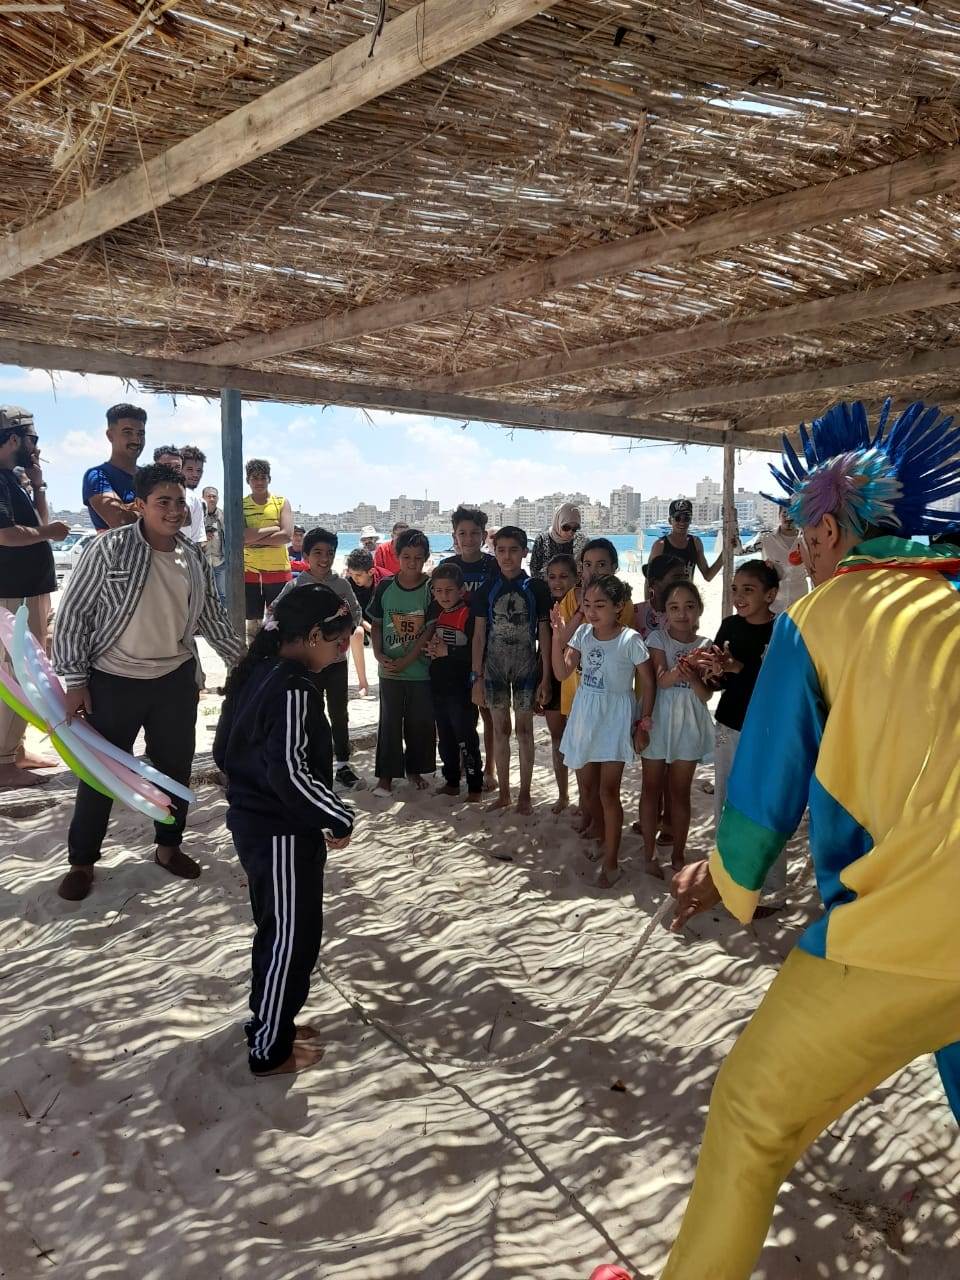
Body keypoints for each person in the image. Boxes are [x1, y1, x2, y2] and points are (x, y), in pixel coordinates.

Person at [663, 397, 960, 1280]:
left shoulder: (819, 617)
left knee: (750, 1116)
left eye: (800, 536)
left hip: (906, 927)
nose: (796, 557)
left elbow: (767, 784)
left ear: (829, 532)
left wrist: (720, 875)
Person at [53, 463, 244, 902]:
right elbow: (74, 615)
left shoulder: (192, 556)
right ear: (140, 505)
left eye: (179, 502)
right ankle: (82, 862)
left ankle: (168, 847)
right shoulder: (108, 549)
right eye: (163, 502)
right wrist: (75, 681)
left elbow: (212, 618)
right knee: (100, 775)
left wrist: (243, 663)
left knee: (175, 772)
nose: (174, 510)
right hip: (113, 681)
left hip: (174, 681)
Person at [213, 584, 355, 1077]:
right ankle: (269, 1048)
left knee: (278, 929)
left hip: (257, 826)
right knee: (291, 940)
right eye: (337, 640)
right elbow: (290, 773)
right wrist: (335, 814)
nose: (342, 650)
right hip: (280, 833)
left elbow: (223, 751)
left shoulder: (257, 670)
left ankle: (272, 1020)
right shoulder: (293, 687)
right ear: (313, 635)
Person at [553, 575, 654, 888]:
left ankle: (612, 862)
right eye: (587, 605)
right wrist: (557, 637)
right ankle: (599, 833)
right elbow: (562, 672)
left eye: (600, 605)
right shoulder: (583, 633)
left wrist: (644, 721)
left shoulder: (630, 640)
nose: (592, 611)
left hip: (615, 719)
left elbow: (648, 682)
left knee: (608, 792)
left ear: (618, 606)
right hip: (585, 716)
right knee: (588, 790)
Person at [0, 407, 68, 788]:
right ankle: (2, 759)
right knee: (19, 672)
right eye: (33, 439)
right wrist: (49, 534)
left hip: (28, 590)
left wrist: (38, 485)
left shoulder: (12, 479)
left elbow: (40, 525)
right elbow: (5, 534)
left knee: (27, 671)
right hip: (15, 593)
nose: (36, 447)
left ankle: (15, 749)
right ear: (14, 438)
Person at [553, 539, 635, 835]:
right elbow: (563, 641)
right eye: (587, 564)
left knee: (602, 772)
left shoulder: (620, 603)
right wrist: (580, 608)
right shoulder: (571, 600)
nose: (594, 570)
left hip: (607, 698)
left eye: (601, 564)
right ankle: (588, 815)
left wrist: (586, 608)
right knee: (582, 761)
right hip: (577, 692)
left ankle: (599, 822)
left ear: (614, 567)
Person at [273, 528, 363, 790]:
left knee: (339, 712)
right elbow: (277, 614)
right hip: (308, 665)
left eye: (330, 553)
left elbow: (356, 613)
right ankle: (311, 764)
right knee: (309, 713)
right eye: (318, 553)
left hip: (336, 662)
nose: (324, 558)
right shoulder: (296, 585)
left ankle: (342, 764)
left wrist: (342, 635)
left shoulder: (342, 585)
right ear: (306, 555)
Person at [471, 526, 552, 815]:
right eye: (501, 550)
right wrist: (476, 677)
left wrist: (546, 676)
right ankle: (504, 793)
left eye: (513, 550)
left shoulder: (536, 588)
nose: (507, 557)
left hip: (526, 667)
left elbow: (545, 634)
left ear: (524, 552)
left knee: (525, 731)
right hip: (494, 668)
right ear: (494, 551)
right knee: (500, 729)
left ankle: (525, 794)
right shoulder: (486, 590)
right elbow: (479, 636)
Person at [639, 580, 713, 878]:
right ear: (665, 612)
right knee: (651, 788)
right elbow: (660, 681)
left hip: (689, 723)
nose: (682, 613)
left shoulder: (706, 644)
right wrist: (686, 665)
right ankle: (648, 853)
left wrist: (693, 675)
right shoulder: (658, 638)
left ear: (699, 610)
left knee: (680, 792)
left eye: (689, 606)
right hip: (658, 718)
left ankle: (679, 855)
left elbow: (705, 695)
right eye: (674, 607)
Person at [701, 561, 779, 827]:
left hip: (766, 727)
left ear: (770, 595)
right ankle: (723, 847)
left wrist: (738, 667)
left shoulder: (781, 630)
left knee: (761, 792)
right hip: (728, 723)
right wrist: (711, 672)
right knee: (726, 788)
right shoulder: (729, 626)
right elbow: (717, 682)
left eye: (748, 589)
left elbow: (779, 681)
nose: (738, 596)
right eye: (735, 589)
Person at [367, 528, 435, 795]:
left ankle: (414, 770)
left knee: (418, 723)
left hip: (420, 672)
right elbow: (376, 623)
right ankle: (385, 776)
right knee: (389, 723)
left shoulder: (430, 588)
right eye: (406, 556)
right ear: (397, 556)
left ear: (425, 558)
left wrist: (408, 659)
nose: (412, 563)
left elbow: (429, 630)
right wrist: (377, 653)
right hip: (390, 671)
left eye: (418, 557)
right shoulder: (385, 586)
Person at [441, 505, 499, 791]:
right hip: (455, 650)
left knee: (487, 712)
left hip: (487, 645)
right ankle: (465, 763)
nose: (468, 539)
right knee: (460, 713)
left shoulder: (494, 565)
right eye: (462, 533)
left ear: (484, 536)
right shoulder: (448, 566)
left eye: (474, 533)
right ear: (454, 535)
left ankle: (490, 769)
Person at [425, 562, 483, 801]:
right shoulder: (436, 612)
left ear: (461, 590)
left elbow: (476, 651)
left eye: (449, 590)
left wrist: (447, 651)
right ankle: (451, 781)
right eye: (438, 591)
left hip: (461, 688)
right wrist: (431, 649)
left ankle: (475, 787)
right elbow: (434, 643)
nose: (444, 596)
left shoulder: (468, 614)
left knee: (466, 738)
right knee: (445, 737)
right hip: (439, 685)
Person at [541, 552, 578, 813]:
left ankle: (584, 796)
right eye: (552, 577)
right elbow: (543, 644)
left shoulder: (583, 603)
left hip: (576, 674)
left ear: (576, 578)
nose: (557, 582)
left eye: (564, 576)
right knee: (557, 738)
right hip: (551, 672)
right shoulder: (546, 604)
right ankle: (563, 794)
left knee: (580, 738)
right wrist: (543, 679)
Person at [243, 459, 293, 642]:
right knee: (252, 624)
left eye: (263, 477)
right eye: (254, 478)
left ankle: (275, 657)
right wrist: (273, 528)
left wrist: (253, 539)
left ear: (269, 479)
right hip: (249, 573)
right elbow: (241, 537)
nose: (259, 482)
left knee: (278, 622)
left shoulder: (281, 502)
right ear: (248, 480)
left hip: (278, 572)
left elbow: (286, 535)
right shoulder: (240, 504)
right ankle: (254, 657)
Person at [82, 403, 146, 531]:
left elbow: (183, 514)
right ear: (110, 435)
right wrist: (155, 510)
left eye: (140, 433)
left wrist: (134, 509)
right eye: (128, 432)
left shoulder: (150, 476)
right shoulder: (98, 476)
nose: (136, 440)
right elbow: (121, 522)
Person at [649, 498, 725, 581]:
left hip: (688, 589)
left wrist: (725, 552)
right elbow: (649, 578)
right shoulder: (660, 545)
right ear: (670, 520)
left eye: (686, 518)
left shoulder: (695, 543)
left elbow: (708, 575)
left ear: (690, 520)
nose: (682, 522)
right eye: (677, 518)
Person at [344, 547, 382, 698]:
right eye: (351, 574)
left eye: (358, 575)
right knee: (356, 633)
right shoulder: (347, 583)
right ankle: (363, 683)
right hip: (360, 622)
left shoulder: (385, 580)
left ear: (371, 571)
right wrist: (369, 627)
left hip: (382, 622)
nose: (354, 578)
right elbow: (352, 611)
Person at [760, 506, 809, 612]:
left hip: (800, 602)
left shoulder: (807, 539)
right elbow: (739, 551)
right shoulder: (765, 538)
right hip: (773, 604)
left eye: (793, 514)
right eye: (785, 513)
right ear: (779, 515)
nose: (789, 517)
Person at [529, 503, 587, 579]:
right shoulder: (542, 540)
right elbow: (534, 571)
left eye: (575, 528)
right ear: (557, 522)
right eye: (566, 527)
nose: (570, 532)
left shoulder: (581, 541)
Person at [178, 445, 207, 547]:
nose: (195, 474)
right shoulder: (161, 493)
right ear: (179, 469)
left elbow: (198, 540)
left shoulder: (197, 499)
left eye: (199, 470)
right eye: (190, 469)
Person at [202, 485, 226, 605]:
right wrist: (203, 537)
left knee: (223, 594)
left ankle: (224, 615)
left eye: (214, 496)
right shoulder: (198, 515)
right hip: (203, 562)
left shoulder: (223, 515)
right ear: (203, 498)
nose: (211, 499)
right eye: (208, 496)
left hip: (220, 561)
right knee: (204, 594)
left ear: (218, 498)